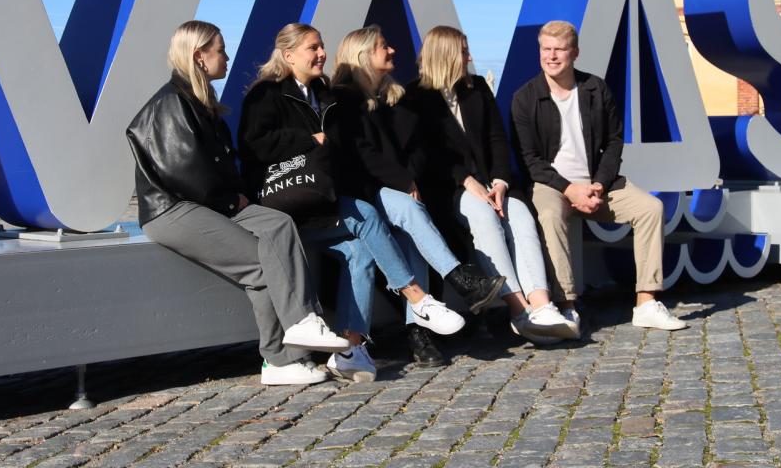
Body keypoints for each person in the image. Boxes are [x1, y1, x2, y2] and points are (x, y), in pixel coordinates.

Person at [126, 20, 351, 386]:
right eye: (220, 50)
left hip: (210, 203)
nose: (227, 57)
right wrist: (233, 201)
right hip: (173, 209)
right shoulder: (172, 103)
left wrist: (239, 198)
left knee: (279, 224)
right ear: (200, 56)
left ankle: (304, 326)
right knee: (264, 264)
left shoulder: (199, 101)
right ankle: (280, 357)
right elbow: (185, 172)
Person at [238, 23, 464, 381]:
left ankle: (350, 349)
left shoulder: (322, 93)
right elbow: (254, 147)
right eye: (312, 48)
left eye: (322, 46)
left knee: (360, 253)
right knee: (368, 215)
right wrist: (307, 138)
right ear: (288, 55)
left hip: (320, 202)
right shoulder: (266, 94)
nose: (321, 54)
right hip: (286, 208)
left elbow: (340, 151)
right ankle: (418, 298)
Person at [328, 25, 506, 367]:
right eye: (383, 46)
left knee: (413, 242)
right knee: (409, 210)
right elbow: (359, 155)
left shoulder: (395, 99)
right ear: (364, 55)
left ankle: (418, 333)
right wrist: (404, 179)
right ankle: (462, 280)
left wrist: (409, 177)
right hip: (362, 195)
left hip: (395, 191)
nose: (392, 50)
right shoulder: (343, 101)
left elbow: (420, 148)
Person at [510, 20, 687, 333]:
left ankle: (647, 302)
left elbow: (614, 142)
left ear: (574, 53)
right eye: (545, 49)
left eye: (559, 50)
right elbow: (530, 161)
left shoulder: (595, 88)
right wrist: (569, 190)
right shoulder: (525, 98)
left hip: (598, 183)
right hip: (552, 185)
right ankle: (567, 306)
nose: (551, 56)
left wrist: (598, 185)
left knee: (651, 209)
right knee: (550, 215)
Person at [404, 26, 576, 344]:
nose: (469, 57)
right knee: (484, 217)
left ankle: (541, 305)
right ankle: (518, 309)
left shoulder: (477, 88)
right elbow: (425, 155)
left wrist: (500, 181)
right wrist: (465, 180)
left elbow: (498, 139)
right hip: (450, 189)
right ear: (444, 54)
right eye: (463, 51)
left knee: (521, 216)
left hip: (491, 182)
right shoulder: (414, 97)